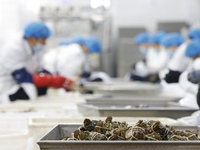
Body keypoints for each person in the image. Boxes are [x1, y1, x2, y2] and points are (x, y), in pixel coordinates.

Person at [0, 21, 75, 103]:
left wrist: (59, 80)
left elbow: (40, 69)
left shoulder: (33, 48)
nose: (44, 43)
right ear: (32, 37)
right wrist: (51, 80)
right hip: (10, 90)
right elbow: (22, 77)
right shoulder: (13, 49)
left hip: (25, 88)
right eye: (43, 40)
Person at [42, 35, 108, 83]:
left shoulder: (77, 50)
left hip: (53, 73)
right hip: (50, 73)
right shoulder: (77, 52)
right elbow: (69, 72)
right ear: (87, 46)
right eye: (90, 51)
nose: (89, 53)